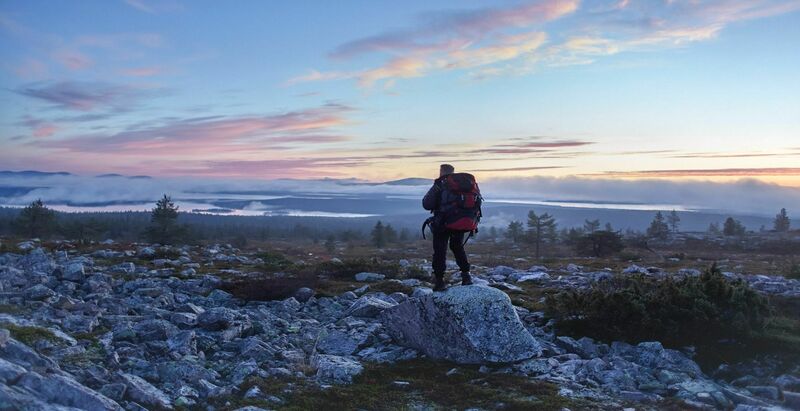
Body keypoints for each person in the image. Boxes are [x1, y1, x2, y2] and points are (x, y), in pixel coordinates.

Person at [422, 164, 473, 291]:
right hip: (459, 222)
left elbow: (427, 204)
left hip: (442, 223)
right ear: (453, 171)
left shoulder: (440, 184)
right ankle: (466, 276)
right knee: (457, 247)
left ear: (441, 171)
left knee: (440, 251)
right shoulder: (464, 184)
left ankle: (439, 281)